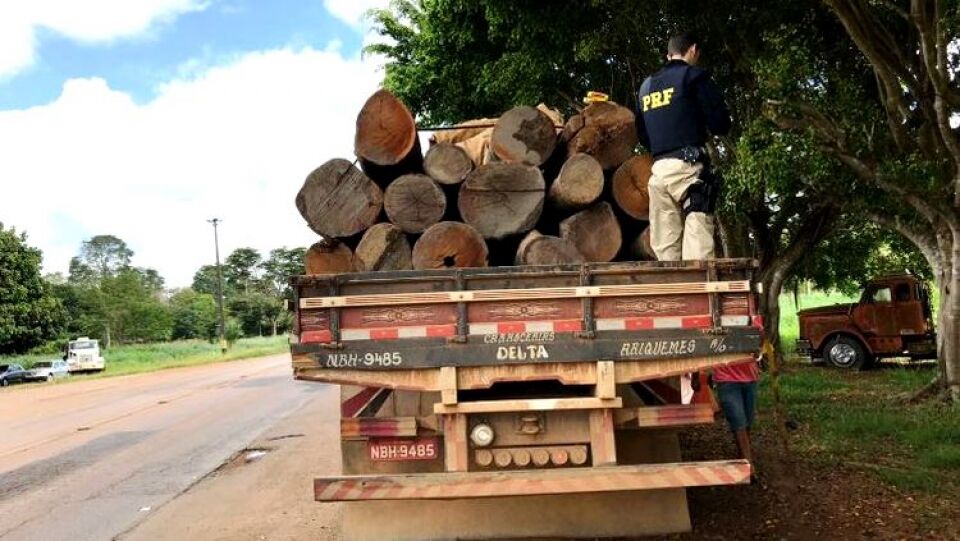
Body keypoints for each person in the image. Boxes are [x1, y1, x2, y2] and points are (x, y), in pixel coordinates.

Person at [635, 33, 731, 261]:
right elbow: (721, 124)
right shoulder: (694, 76)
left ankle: (672, 294)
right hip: (687, 169)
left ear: (668, 54)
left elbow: (643, 136)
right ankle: (698, 293)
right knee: (697, 236)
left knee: (666, 249)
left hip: (658, 174)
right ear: (693, 50)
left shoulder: (645, 87)